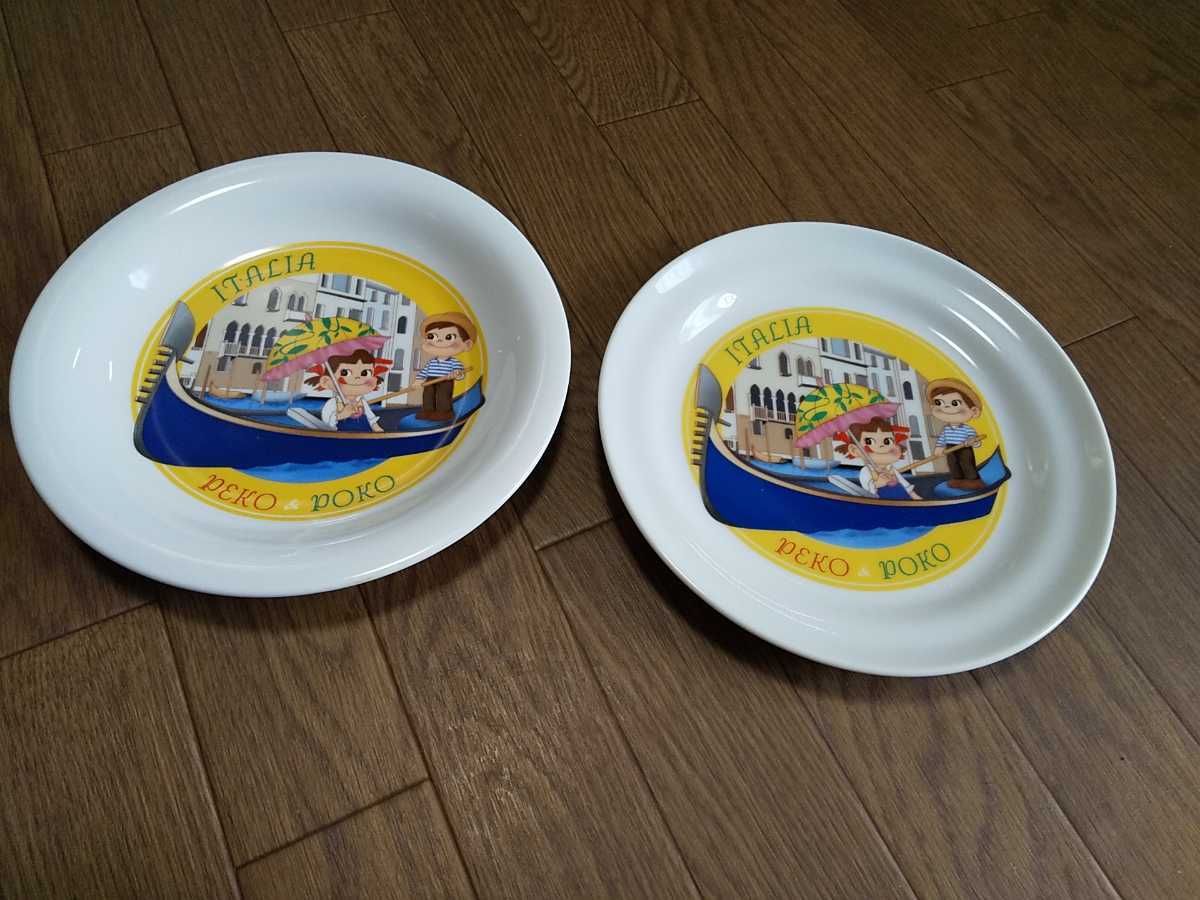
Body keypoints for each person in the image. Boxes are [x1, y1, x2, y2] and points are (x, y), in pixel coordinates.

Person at [305, 349, 390, 433]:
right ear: (326, 381)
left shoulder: (362, 402)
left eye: (365, 373)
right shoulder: (333, 403)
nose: (357, 378)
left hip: (363, 433)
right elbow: (327, 425)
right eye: (345, 373)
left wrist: (377, 429)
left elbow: (371, 419)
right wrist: (341, 415)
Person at [835, 418, 921, 500]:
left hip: (904, 498)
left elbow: (905, 485)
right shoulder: (866, 471)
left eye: (887, 441)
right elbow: (868, 492)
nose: (881, 446)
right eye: (869, 441)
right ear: (854, 450)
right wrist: (877, 483)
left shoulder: (890, 468)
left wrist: (916, 497)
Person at [415, 312, 475, 422]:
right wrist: (418, 381)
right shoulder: (432, 362)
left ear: (467, 344)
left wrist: (457, 374)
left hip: (445, 380)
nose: (439, 341)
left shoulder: (453, 362)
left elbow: (460, 373)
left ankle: (444, 412)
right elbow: (424, 372)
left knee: (443, 396)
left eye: (449, 337)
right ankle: (427, 411)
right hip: (430, 380)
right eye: (432, 336)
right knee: (428, 396)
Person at [927, 378, 985, 490]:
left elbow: (975, 440)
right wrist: (939, 448)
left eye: (955, 403)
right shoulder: (946, 429)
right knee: (952, 463)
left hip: (964, 447)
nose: (946, 407)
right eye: (939, 403)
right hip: (950, 448)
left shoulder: (967, 429)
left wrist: (972, 441)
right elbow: (942, 439)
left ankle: (973, 480)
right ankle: (957, 479)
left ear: (973, 411)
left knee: (967, 463)